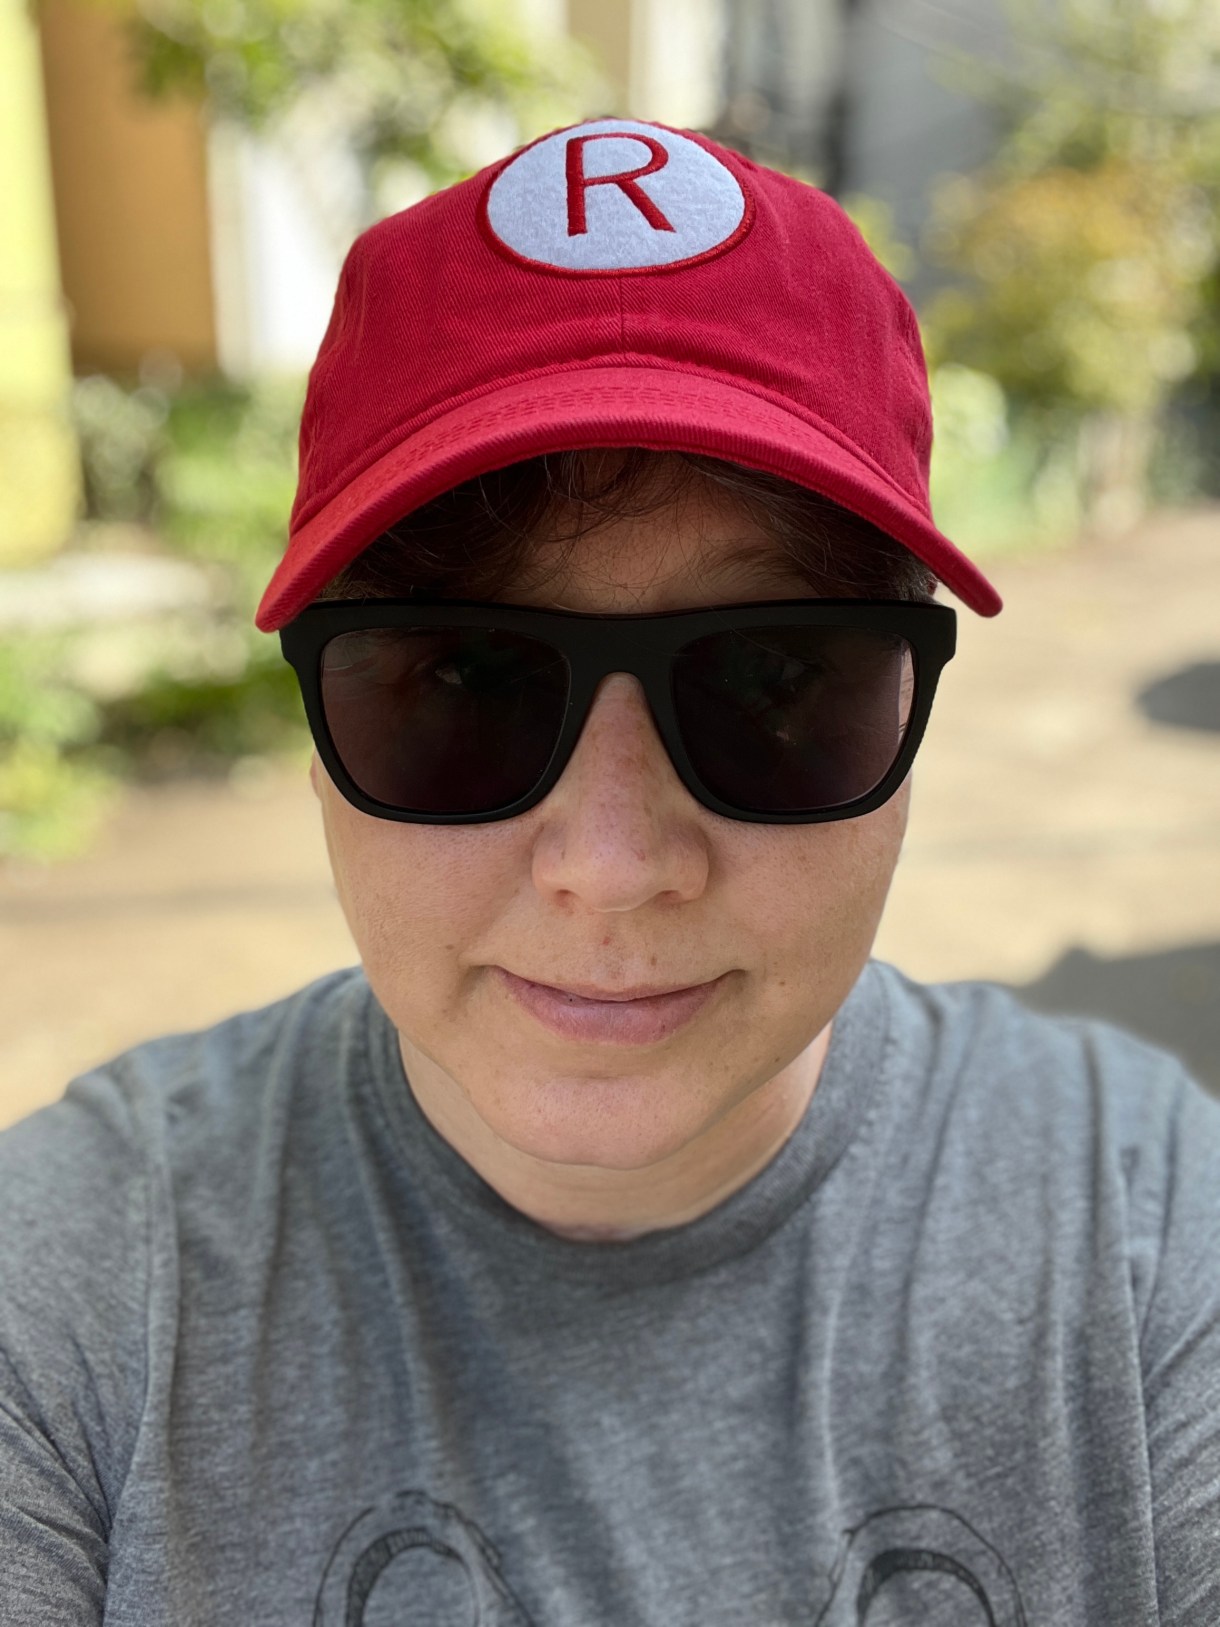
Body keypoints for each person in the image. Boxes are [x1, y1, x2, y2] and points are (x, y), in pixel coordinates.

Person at [1, 117, 1217, 1625]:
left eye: (776, 676)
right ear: (317, 732)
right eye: (456, 680)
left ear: (912, 705)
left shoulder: (1151, 1231)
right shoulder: (69, 1286)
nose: (615, 863)